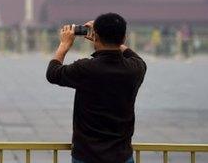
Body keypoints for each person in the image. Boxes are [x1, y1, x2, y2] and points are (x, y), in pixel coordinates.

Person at [46, 13, 147, 163]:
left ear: (96, 36)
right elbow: (133, 56)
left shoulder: (85, 68)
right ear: (124, 38)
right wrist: (108, 38)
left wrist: (64, 45)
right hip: (122, 156)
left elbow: (53, 73)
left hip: (86, 156)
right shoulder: (136, 69)